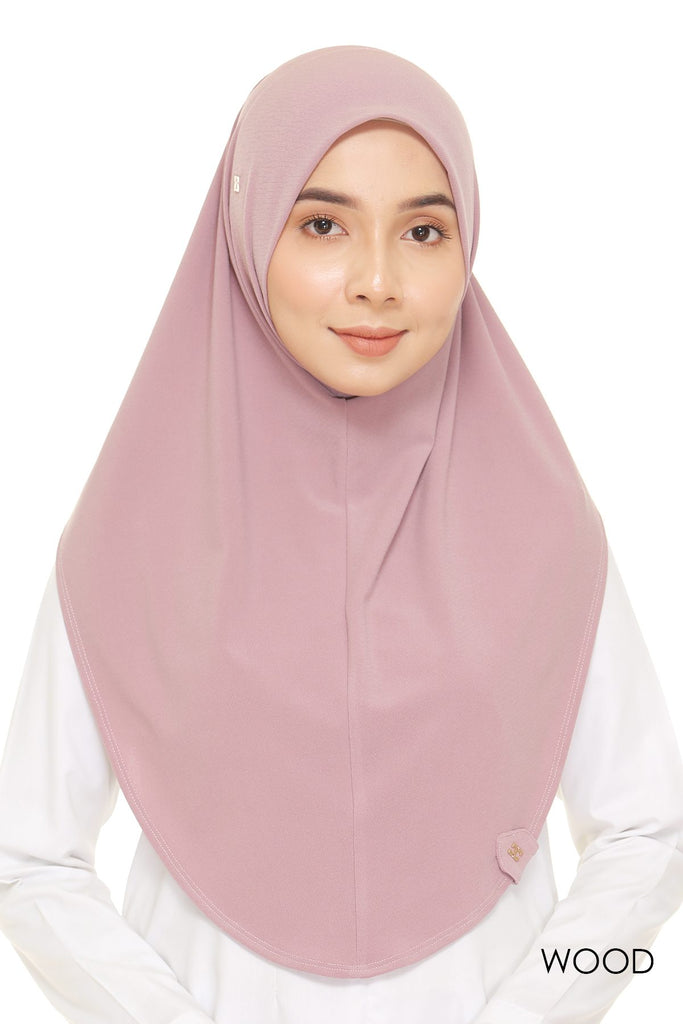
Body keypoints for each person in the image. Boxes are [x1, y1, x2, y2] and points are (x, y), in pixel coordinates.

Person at [1, 44, 682, 1024]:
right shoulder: (133, 532)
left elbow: (650, 835)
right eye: (322, 223)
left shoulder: (544, 524)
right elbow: (27, 859)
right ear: (246, 232)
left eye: (423, 230)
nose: (376, 279)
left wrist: (540, 1011)